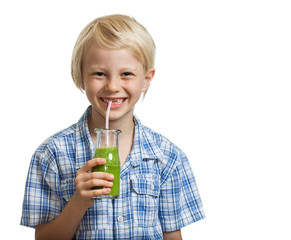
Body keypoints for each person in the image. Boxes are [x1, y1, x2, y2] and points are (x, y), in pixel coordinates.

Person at [20, 14, 205, 240]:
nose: (113, 86)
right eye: (99, 74)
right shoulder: (52, 154)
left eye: (126, 74)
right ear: (80, 77)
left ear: (146, 79)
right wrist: (77, 203)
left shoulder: (168, 157)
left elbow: (171, 236)